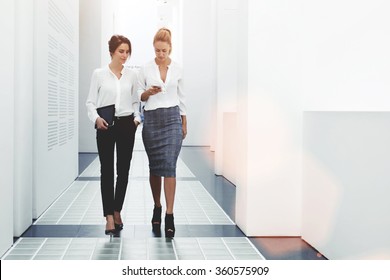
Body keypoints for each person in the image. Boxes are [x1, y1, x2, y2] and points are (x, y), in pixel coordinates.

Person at [86, 35, 141, 236]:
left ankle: (117, 210)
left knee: (124, 171)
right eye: (121, 51)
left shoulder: (132, 76)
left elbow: (136, 102)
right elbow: (90, 102)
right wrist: (96, 119)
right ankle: (109, 216)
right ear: (112, 52)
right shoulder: (99, 74)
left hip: (127, 124)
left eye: (127, 51)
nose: (125, 55)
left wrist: (137, 119)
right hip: (106, 125)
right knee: (107, 171)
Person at [137, 28, 187, 238]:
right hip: (153, 121)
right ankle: (157, 205)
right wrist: (149, 92)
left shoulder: (178, 69)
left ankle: (169, 214)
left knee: (170, 167)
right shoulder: (145, 69)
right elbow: (139, 96)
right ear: (153, 49)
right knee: (155, 168)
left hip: (172, 119)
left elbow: (182, 97)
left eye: (164, 50)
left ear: (170, 48)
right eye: (157, 50)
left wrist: (184, 121)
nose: (160, 54)